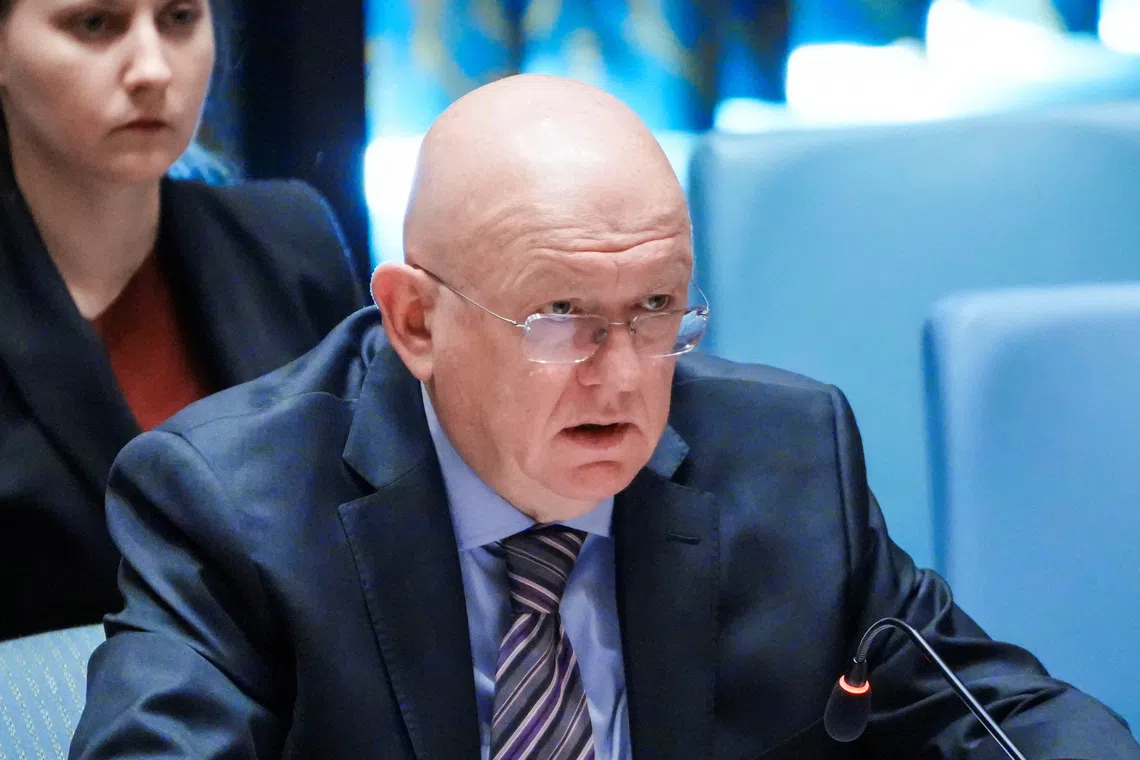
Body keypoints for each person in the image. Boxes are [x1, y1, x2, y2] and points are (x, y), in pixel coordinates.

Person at [70, 74, 1139, 759]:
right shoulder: (229, 505)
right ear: (414, 321)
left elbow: (991, 711)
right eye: (561, 316)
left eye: (658, 308)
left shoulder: (785, 457)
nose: (624, 377)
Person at [0, 0, 366, 641]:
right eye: (95, 24)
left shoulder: (291, 238)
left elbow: (375, 523)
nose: (152, 70)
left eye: (178, 20)